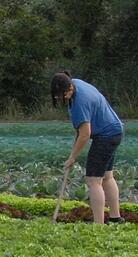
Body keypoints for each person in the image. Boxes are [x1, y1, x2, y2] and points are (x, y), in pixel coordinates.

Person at [51, 72, 124, 224]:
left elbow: (85, 135)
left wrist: (72, 157)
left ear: (70, 87)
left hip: (106, 136)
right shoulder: (76, 82)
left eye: (65, 94)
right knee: (107, 176)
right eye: (59, 95)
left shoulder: (79, 103)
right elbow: (81, 131)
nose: (64, 97)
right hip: (115, 130)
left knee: (93, 180)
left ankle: (98, 225)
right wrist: (74, 150)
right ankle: (116, 218)